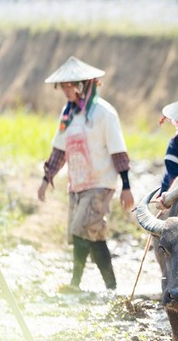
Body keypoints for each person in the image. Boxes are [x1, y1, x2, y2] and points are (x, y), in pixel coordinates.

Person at [37, 56, 134, 292]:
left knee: (80, 229)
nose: (67, 91)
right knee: (94, 236)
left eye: (72, 85)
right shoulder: (68, 115)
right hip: (78, 183)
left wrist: (126, 186)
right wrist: (46, 179)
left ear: (85, 85)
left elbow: (118, 150)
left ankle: (75, 284)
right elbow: (60, 149)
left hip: (101, 182)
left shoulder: (104, 114)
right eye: (64, 86)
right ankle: (112, 287)